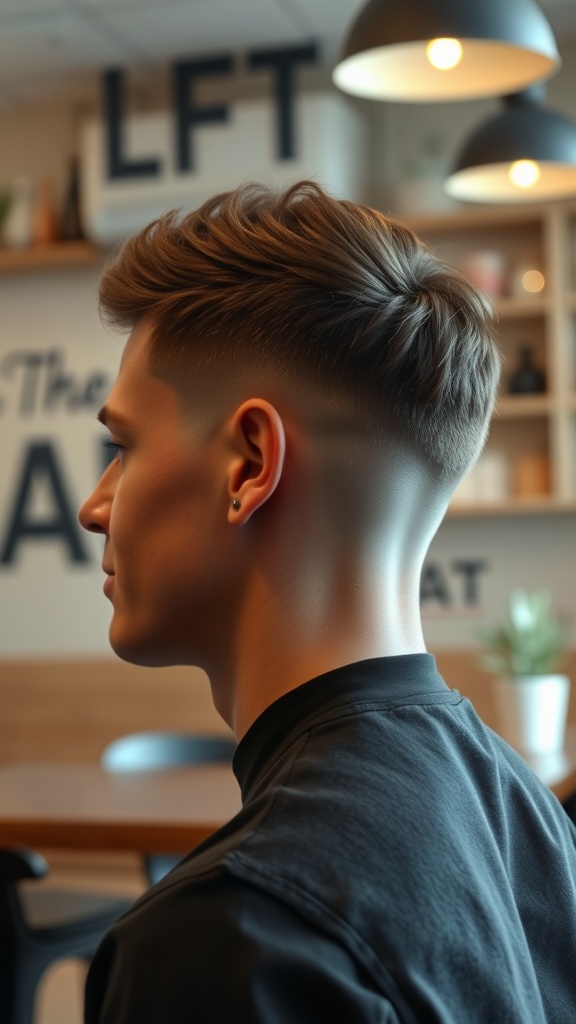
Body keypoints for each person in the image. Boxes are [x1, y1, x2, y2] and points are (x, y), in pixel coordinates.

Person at [80, 180, 576, 1023]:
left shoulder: (230, 942)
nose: (96, 504)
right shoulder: (527, 816)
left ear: (248, 466)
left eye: (123, 447)